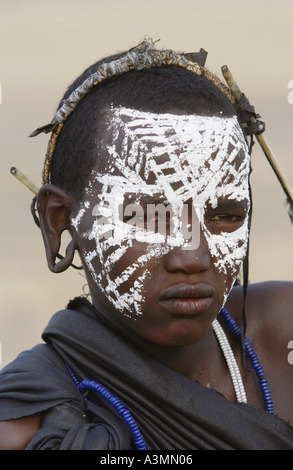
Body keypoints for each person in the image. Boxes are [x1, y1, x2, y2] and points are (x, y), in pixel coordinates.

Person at [0, 39, 293, 450]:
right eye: (150, 218)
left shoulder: (283, 336)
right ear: (59, 221)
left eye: (224, 215)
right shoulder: (29, 426)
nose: (192, 256)